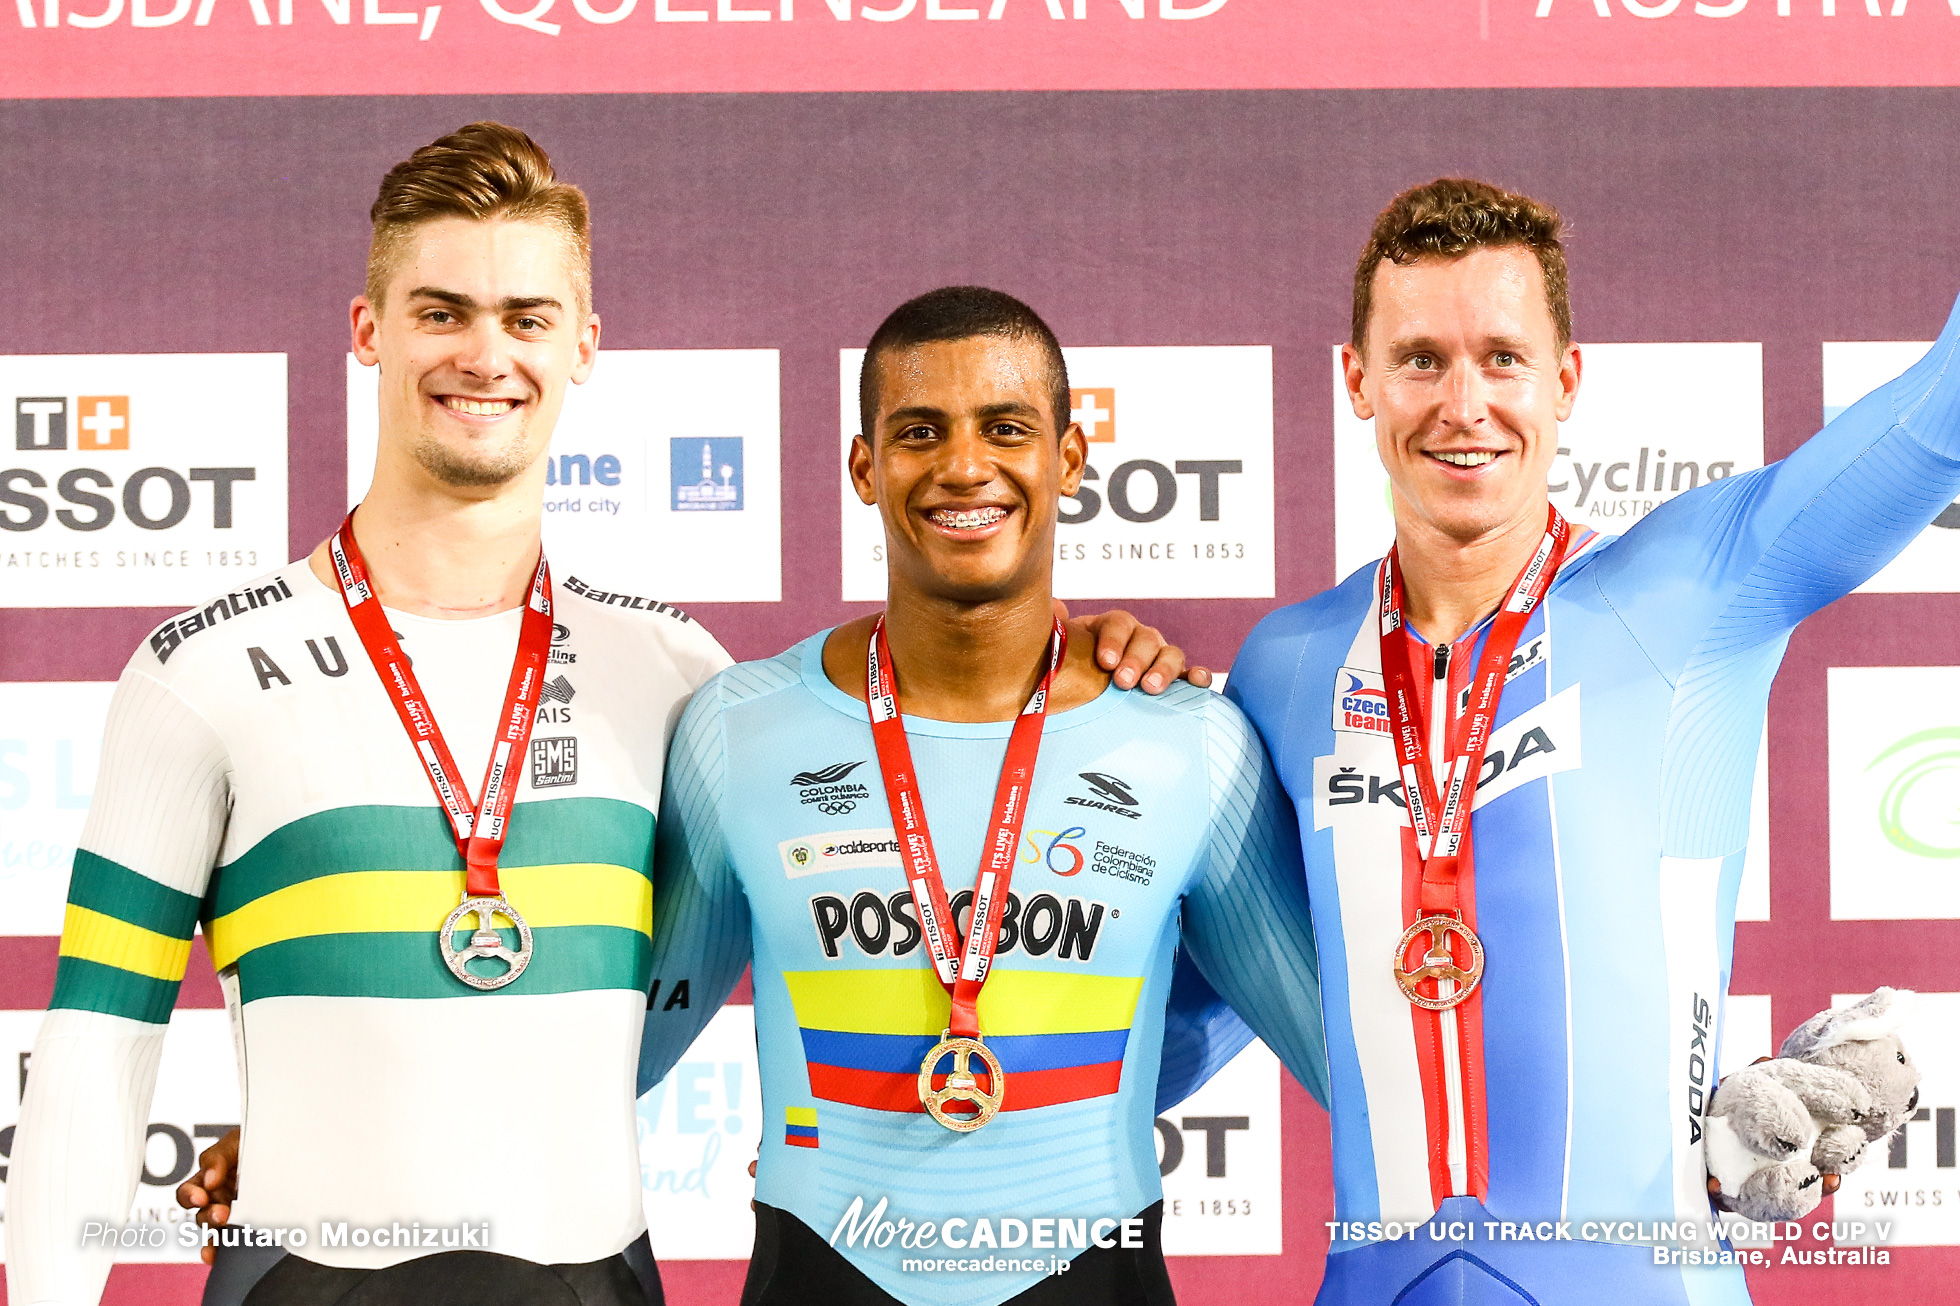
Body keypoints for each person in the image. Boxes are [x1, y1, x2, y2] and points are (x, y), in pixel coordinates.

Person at [9, 125, 1187, 1306]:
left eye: (526, 318)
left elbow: (906, 899)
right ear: (368, 331)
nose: (485, 354)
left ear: (584, 344)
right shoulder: (200, 670)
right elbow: (95, 1049)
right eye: (440, 311)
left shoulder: (680, 677)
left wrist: (1082, 660)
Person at [1223, 178, 1960, 1304]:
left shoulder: (1699, 585)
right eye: (1420, 359)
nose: (1460, 402)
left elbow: (1933, 418)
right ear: (1356, 380)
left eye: (1502, 358)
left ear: (1565, 378)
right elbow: (1207, 974)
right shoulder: (1281, 668)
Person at [636, 285, 1328, 1306]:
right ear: (865, 467)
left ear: (1069, 458)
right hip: (821, 1272)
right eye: (920, 432)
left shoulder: (1188, 743)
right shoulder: (738, 731)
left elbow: (1333, 1043)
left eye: (1005, 428)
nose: (965, 466)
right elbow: (616, 1048)